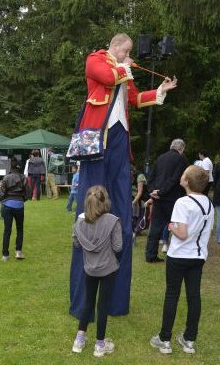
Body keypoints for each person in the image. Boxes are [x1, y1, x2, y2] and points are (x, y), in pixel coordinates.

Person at [70, 33, 178, 317]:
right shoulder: (96, 59)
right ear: (115, 46)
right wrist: (125, 65)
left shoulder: (123, 71)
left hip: (120, 138)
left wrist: (161, 91)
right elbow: (107, 77)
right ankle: (83, 302)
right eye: (126, 50)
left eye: (129, 51)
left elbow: (134, 98)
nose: (128, 54)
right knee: (91, 204)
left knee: (120, 213)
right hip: (97, 140)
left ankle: (115, 301)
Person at [150, 165, 214, 355]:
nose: (181, 176)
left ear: (186, 181)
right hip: (198, 256)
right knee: (194, 296)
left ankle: (165, 339)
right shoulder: (208, 203)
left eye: (183, 174)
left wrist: (170, 226)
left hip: (179, 256)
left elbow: (183, 233)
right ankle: (189, 340)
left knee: (172, 295)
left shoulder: (182, 203)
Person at [71, 185, 122, 357]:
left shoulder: (79, 221)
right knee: (102, 305)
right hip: (108, 269)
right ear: (105, 201)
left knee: (88, 302)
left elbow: (77, 244)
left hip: (89, 269)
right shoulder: (113, 220)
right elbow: (118, 246)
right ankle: (99, 345)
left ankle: (79, 340)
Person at [146, 139, 188, 262]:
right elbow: (176, 179)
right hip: (172, 199)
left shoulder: (160, 158)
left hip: (158, 198)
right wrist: (161, 192)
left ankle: (150, 255)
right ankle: (177, 254)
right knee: (177, 226)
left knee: (155, 228)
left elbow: (151, 177)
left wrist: (154, 191)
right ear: (181, 149)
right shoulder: (181, 159)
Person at [0, 157, 27, 261]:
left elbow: (2, 194)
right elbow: (27, 194)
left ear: (10, 167)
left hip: (7, 206)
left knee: (7, 230)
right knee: (20, 229)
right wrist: (21, 200)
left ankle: (5, 255)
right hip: (19, 206)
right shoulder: (23, 178)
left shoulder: (6, 178)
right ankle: (18, 252)